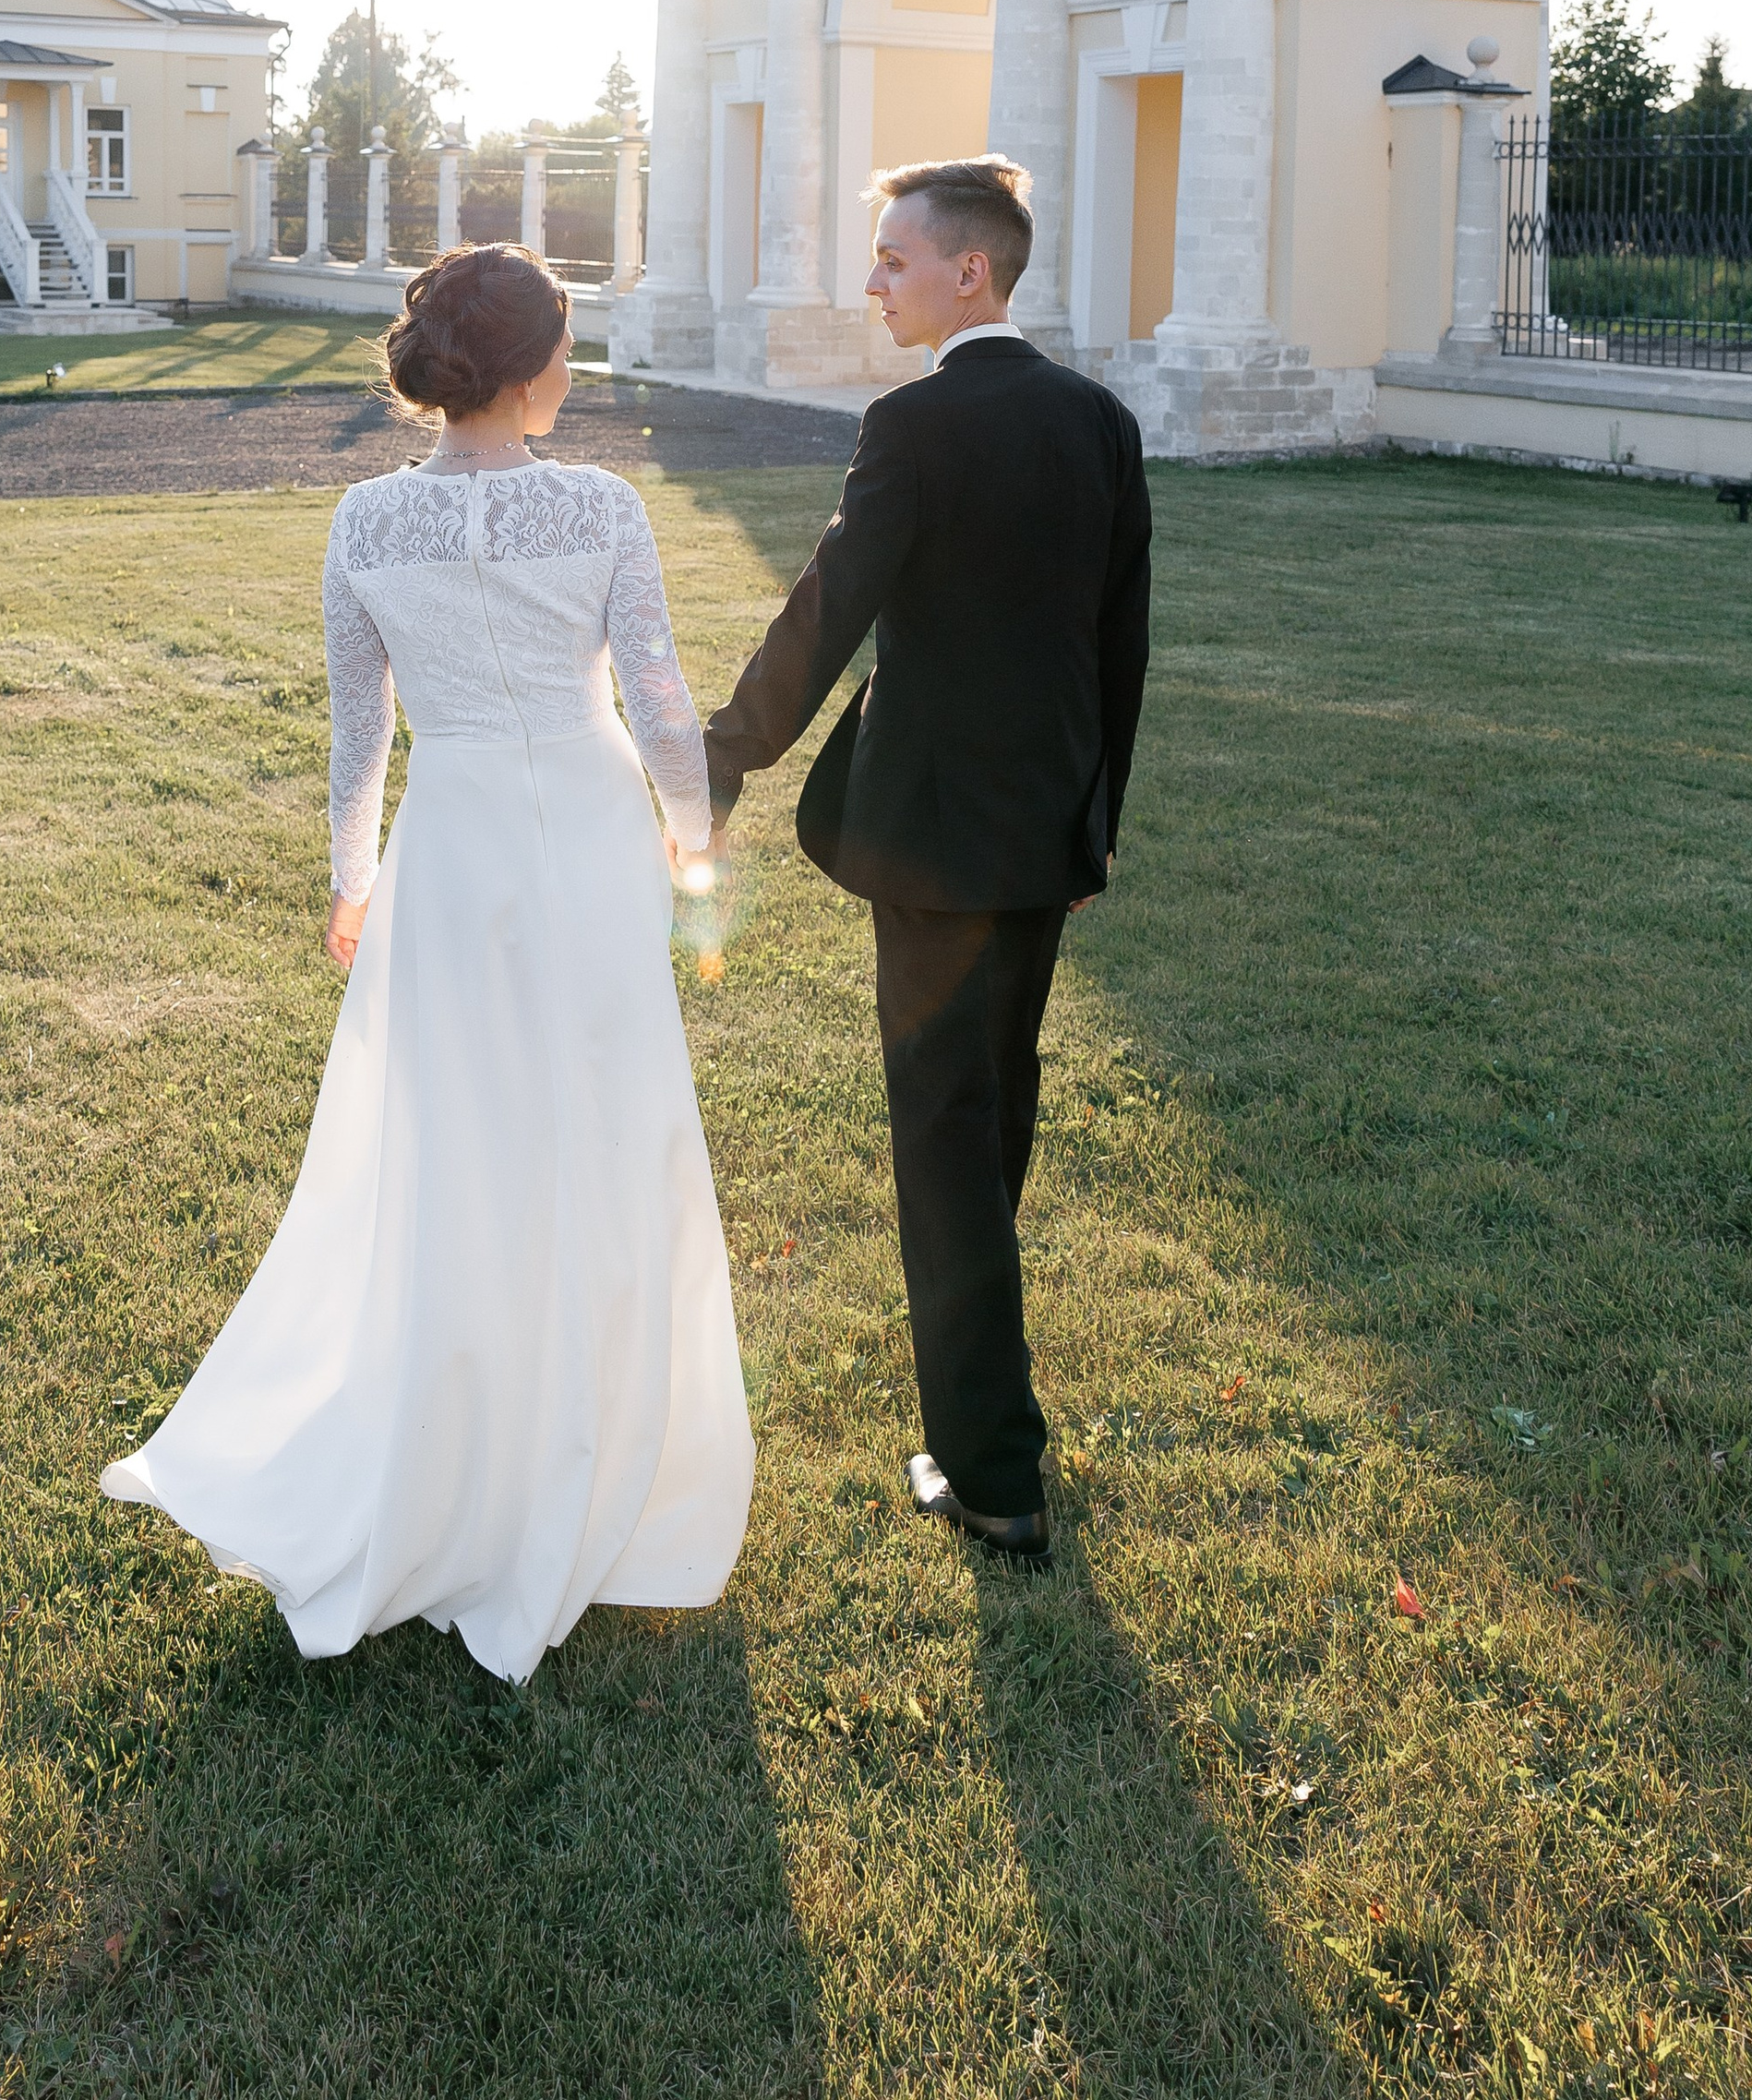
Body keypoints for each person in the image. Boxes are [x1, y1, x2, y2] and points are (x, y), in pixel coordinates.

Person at [101, 243, 753, 1680]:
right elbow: (660, 697)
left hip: (451, 847)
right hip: (586, 835)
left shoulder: (365, 520)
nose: (571, 369)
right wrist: (691, 832)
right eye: (565, 345)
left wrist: (353, 879)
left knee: (460, 1142)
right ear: (530, 368)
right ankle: (592, 1434)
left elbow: (362, 734)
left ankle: (461, 1435)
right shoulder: (602, 505)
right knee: (603, 1123)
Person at [689, 156, 1149, 1568]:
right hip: (1046, 833)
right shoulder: (1100, 420)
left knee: (948, 1137)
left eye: (893, 257)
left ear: (971, 270)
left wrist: (718, 759)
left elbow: (828, 609)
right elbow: (1119, 647)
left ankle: (993, 1471)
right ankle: (984, 1398)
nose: (874, 280)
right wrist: (1097, 822)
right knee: (993, 1113)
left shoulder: (913, 423)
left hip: (938, 843)